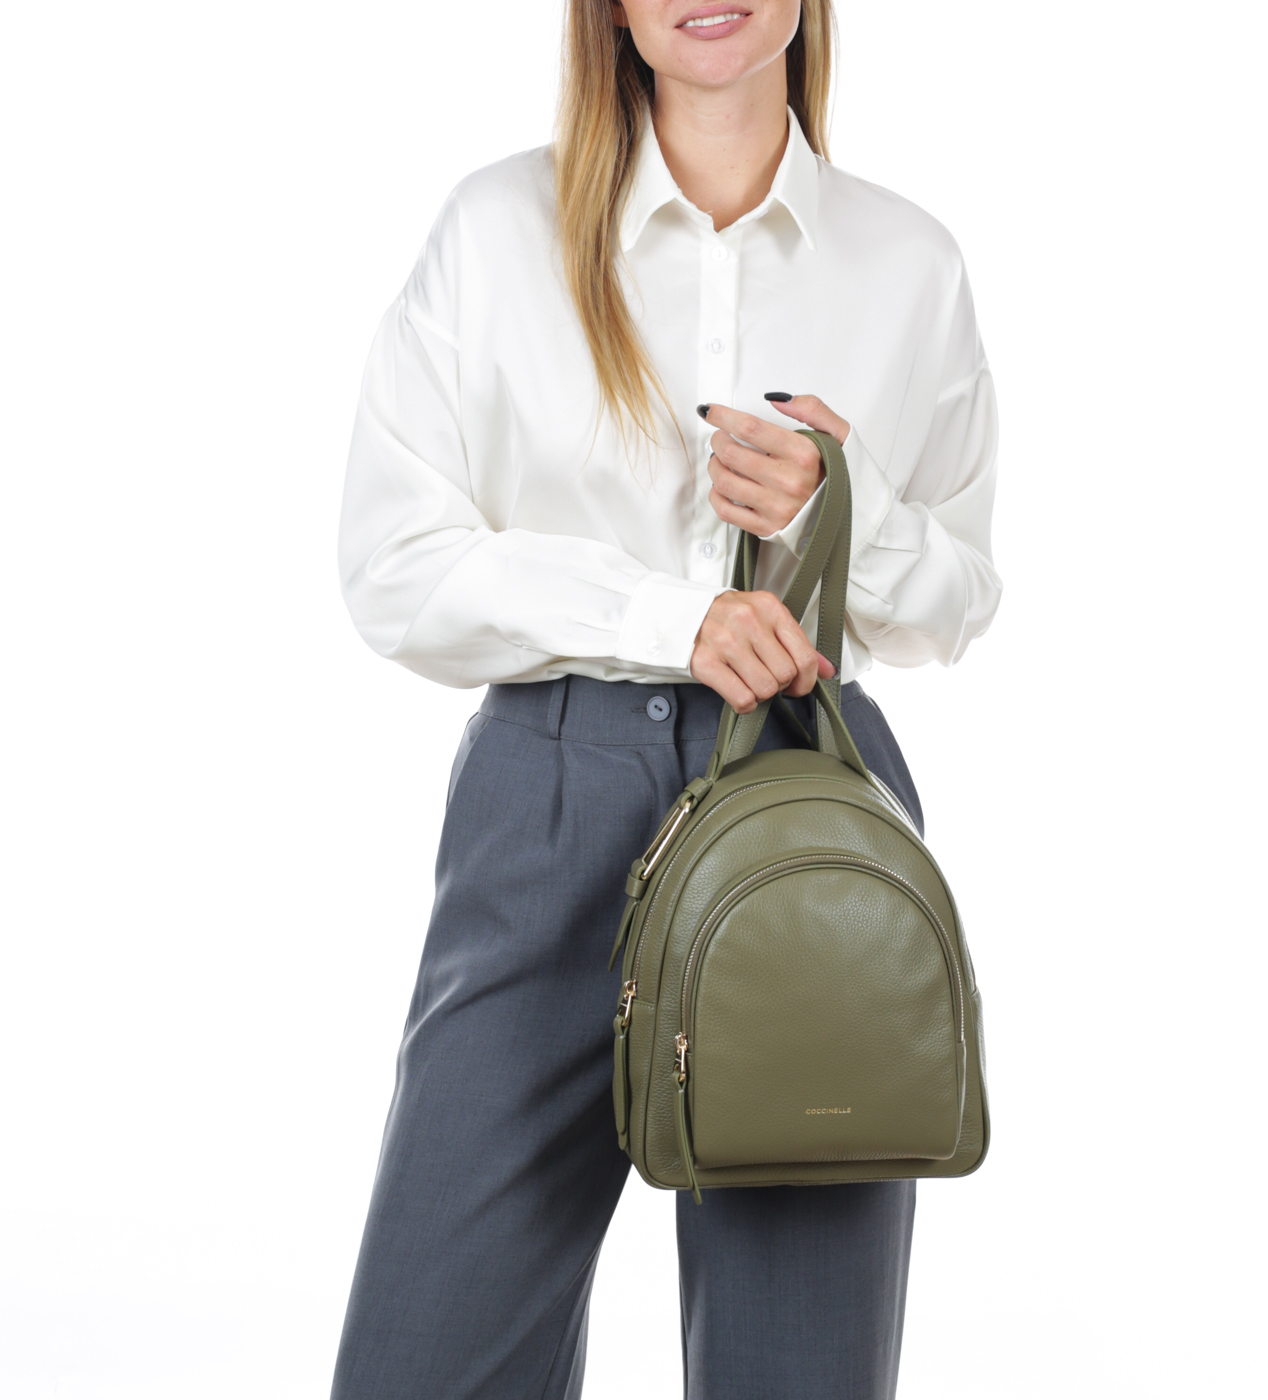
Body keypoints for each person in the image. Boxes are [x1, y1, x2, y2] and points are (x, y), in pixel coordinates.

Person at [330, 2, 1001, 1396]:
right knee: (428, 1354)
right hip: (547, 800)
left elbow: (955, 600)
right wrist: (668, 618)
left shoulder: (906, 262)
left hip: (804, 806)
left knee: (799, 1373)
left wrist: (844, 509)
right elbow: (395, 566)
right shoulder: (498, 232)